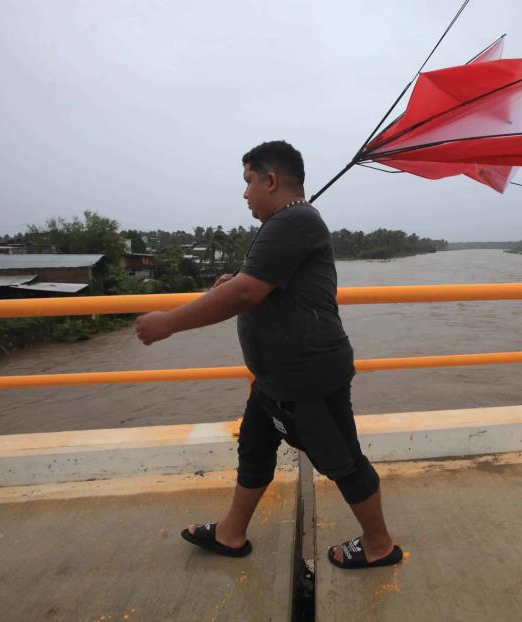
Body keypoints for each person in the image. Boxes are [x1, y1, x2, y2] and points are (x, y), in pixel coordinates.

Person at [135, 140, 401, 569]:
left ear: (271, 180)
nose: (244, 194)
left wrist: (168, 322)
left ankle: (379, 546)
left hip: (308, 379)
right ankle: (231, 534)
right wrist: (236, 279)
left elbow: (247, 292)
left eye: (248, 182)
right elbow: (259, 281)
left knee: (343, 462)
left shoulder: (294, 220)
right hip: (272, 379)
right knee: (255, 451)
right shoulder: (285, 222)